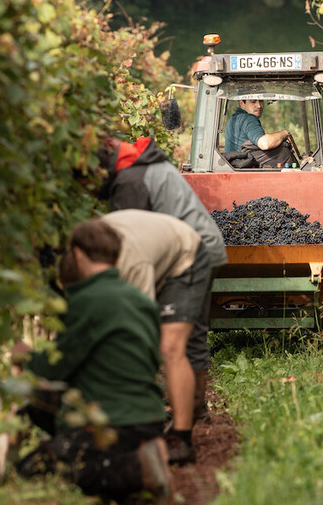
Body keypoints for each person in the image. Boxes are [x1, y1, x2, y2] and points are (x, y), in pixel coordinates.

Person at [13, 219, 173, 505]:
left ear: (78, 254)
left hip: (113, 422)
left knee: (33, 470)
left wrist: (24, 356)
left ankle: (138, 469)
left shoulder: (86, 300)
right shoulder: (141, 300)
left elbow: (52, 368)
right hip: (149, 418)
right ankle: (133, 463)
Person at [97, 136, 227, 455]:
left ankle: (180, 421)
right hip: (202, 244)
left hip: (188, 251)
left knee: (173, 340)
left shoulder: (131, 180)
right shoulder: (141, 164)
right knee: (191, 335)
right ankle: (194, 410)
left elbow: (132, 242)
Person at [64, 209, 211, 465]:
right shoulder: (83, 256)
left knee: (170, 347)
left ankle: (181, 438)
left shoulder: (132, 266)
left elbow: (140, 330)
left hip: (185, 255)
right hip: (148, 244)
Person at [223, 99, 297, 168]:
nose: (259, 105)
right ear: (242, 103)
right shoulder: (248, 119)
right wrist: (285, 133)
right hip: (246, 172)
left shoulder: (234, 119)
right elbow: (265, 143)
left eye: (261, 101)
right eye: (253, 101)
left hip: (234, 169)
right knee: (283, 153)